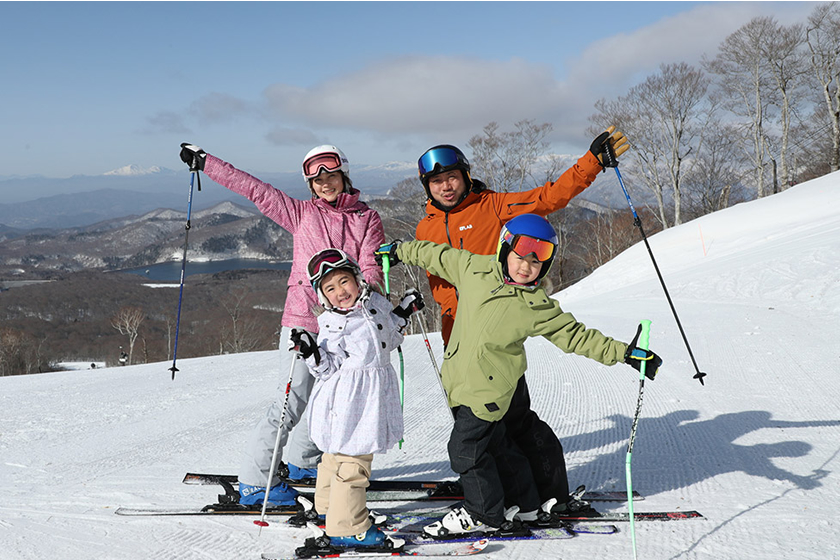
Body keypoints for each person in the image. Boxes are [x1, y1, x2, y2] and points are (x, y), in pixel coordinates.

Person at [375, 214, 661, 537]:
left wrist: (623, 353)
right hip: (462, 380)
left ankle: (483, 512)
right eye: (521, 253)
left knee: (465, 450)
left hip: (488, 393)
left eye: (538, 259)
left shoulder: (535, 304)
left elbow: (576, 335)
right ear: (504, 248)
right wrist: (401, 251)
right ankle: (528, 503)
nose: (527, 265)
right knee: (501, 446)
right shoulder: (473, 269)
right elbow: (435, 254)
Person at [412, 127, 629, 514]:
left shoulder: (494, 207)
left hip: (500, 335)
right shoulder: (426, 227)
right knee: (482, 432)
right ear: (427, 187)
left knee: (515, 424)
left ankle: (544, 495)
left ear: (465, 176)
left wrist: (592, 162)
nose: (445, 187)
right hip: (459, 343)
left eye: (452, 177)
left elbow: (549, 198)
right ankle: (508, 493)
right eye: (436, 181)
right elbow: (438, 277)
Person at [179, 143, 385, 508]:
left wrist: (367, 294)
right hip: (304, 321)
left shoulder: (366, 218)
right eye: (316, 180)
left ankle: (304, 463)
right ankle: (257, 483)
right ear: (310, 185)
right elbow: (255, 189)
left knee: (328, 399)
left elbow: (370, 266)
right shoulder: (301, 214)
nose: (325, 184)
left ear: (344, 175)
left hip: (345, 327)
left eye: (331, 175)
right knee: (289, 403)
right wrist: (207, 162)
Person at [290, 248, 421, 552]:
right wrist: (311, 351)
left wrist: (402, 312)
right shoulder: (332, 323)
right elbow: (326, 367)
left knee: (336, 456)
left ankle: (327, 508)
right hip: (351, 400)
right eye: (330, 288)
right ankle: (348, 526)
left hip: (370, 393)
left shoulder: (374, 303)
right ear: (322, 296)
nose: (340, 292)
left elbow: (388, 336)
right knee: (353, 461)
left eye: (344, 281)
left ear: (357, 278)